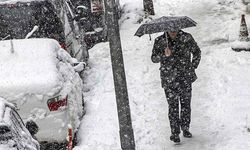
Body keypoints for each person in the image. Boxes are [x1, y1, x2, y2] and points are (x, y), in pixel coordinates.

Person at [151, 30, 201, 143]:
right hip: (169, 79)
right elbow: (153, 58)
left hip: (185, 77)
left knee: (185, 105)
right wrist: (163, 54)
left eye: (175, 30)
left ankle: (185, 128)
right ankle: (175, 132)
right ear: (166, 30)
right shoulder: (160, 41)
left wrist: (193, 66)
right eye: (171, 30)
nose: (173, 32)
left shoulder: (187, 37)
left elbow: (197, 52)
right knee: (172, 106)